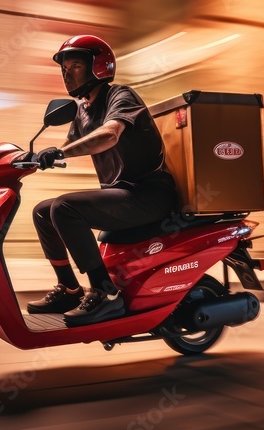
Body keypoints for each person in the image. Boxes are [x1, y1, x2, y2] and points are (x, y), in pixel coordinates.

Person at [27, 35, 176, 327]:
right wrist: (24, 159)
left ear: (98, 66)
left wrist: (60, 151)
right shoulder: (82, 111)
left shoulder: (120, 95)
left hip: (148, 195)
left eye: (75, 66)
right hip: (121, 195)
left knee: (65, 207)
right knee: (42, 211)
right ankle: (70, 290)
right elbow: (68, 143)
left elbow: (108, 135)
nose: (66, 73)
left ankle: (105, 293)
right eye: (64, 68)